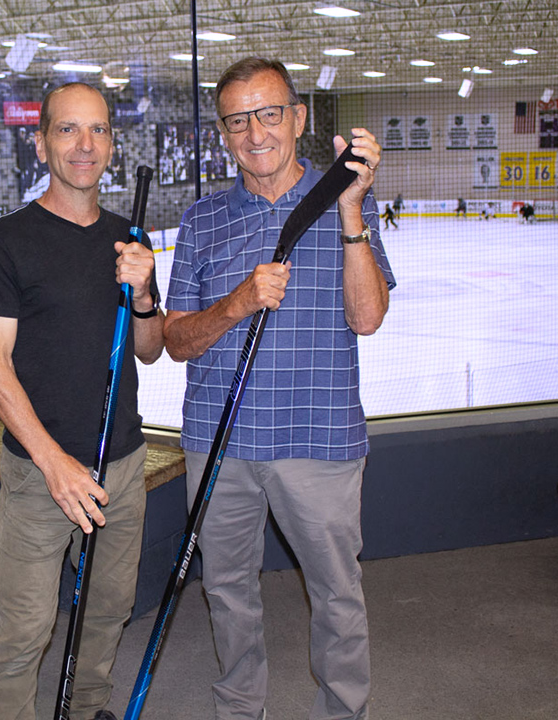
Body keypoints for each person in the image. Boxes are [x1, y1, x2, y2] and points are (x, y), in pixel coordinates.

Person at [164, 57, 394, 720]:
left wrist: (351, 212)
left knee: (336, 592)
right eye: (238, 119)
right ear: (223, 131)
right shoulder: (203, 219)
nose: (255, 132)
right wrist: (235, 304)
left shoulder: (345, 196)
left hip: (318, 438)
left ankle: (342, 711)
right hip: (219, 440)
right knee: (228, 589)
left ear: (298, 119)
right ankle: (240, 705)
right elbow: (177, 342)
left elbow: (368, 317)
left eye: (269, 114)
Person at [0, 82, 165, 720]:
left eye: (99, 130)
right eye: (67, 130)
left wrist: (142, 295)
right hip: (38, 475)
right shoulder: (6, 242)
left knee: (108, 611)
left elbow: (150, 348)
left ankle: (85, 710)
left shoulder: (128, 240)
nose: (85, 145)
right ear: (41, 141)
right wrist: (54, 463)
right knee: (23, 632)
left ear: (112, 140)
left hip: (122, 465)